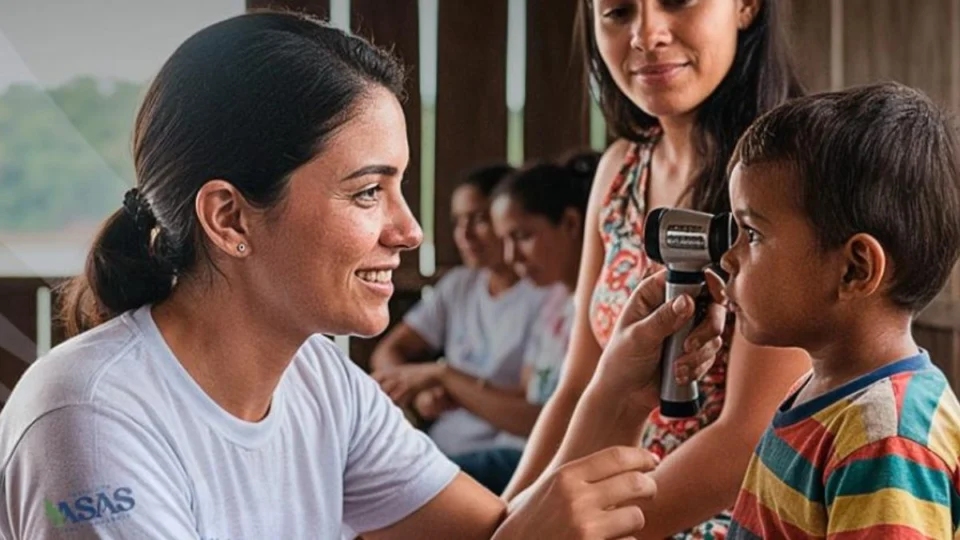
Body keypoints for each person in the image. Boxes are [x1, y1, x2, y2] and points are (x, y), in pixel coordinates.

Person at [0, 11, 727, 539]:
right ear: (229, 219)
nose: (409, 231)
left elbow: (502, 533)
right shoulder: (90, 421)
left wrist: (620, 392)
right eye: (366, 191)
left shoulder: (323, 383)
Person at [503, 1, 813, 537]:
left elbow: (746, 438)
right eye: (618, 12)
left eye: (676, 1)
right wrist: (507, 517)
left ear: (745, 6)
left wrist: (565, 532)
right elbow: (580, 383)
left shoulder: (792, 176)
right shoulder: (619, 170)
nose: (646, 35)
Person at [722, 83, 960, 538]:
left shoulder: (886, 439)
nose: (729, 258)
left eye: (751, 234)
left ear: (855, 268)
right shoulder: (827, 390)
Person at [392, 152, 599, 494]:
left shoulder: (592, 310)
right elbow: (528, 396)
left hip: (528, 461)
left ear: (572, 225)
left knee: (401, 490)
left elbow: (542, 421)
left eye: (522, 236)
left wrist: (446, 376)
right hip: (518, 457)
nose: (511, 256)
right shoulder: (554, 305)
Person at [370, 165, 549, 466]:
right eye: (458, 221)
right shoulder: (460, 286)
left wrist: (447, 379)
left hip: (504, 456)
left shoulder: (545, 297)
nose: (464, 235)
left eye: (478, 219)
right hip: (440, 447)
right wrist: (419, 395)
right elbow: (388, 353)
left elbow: (530, 414)